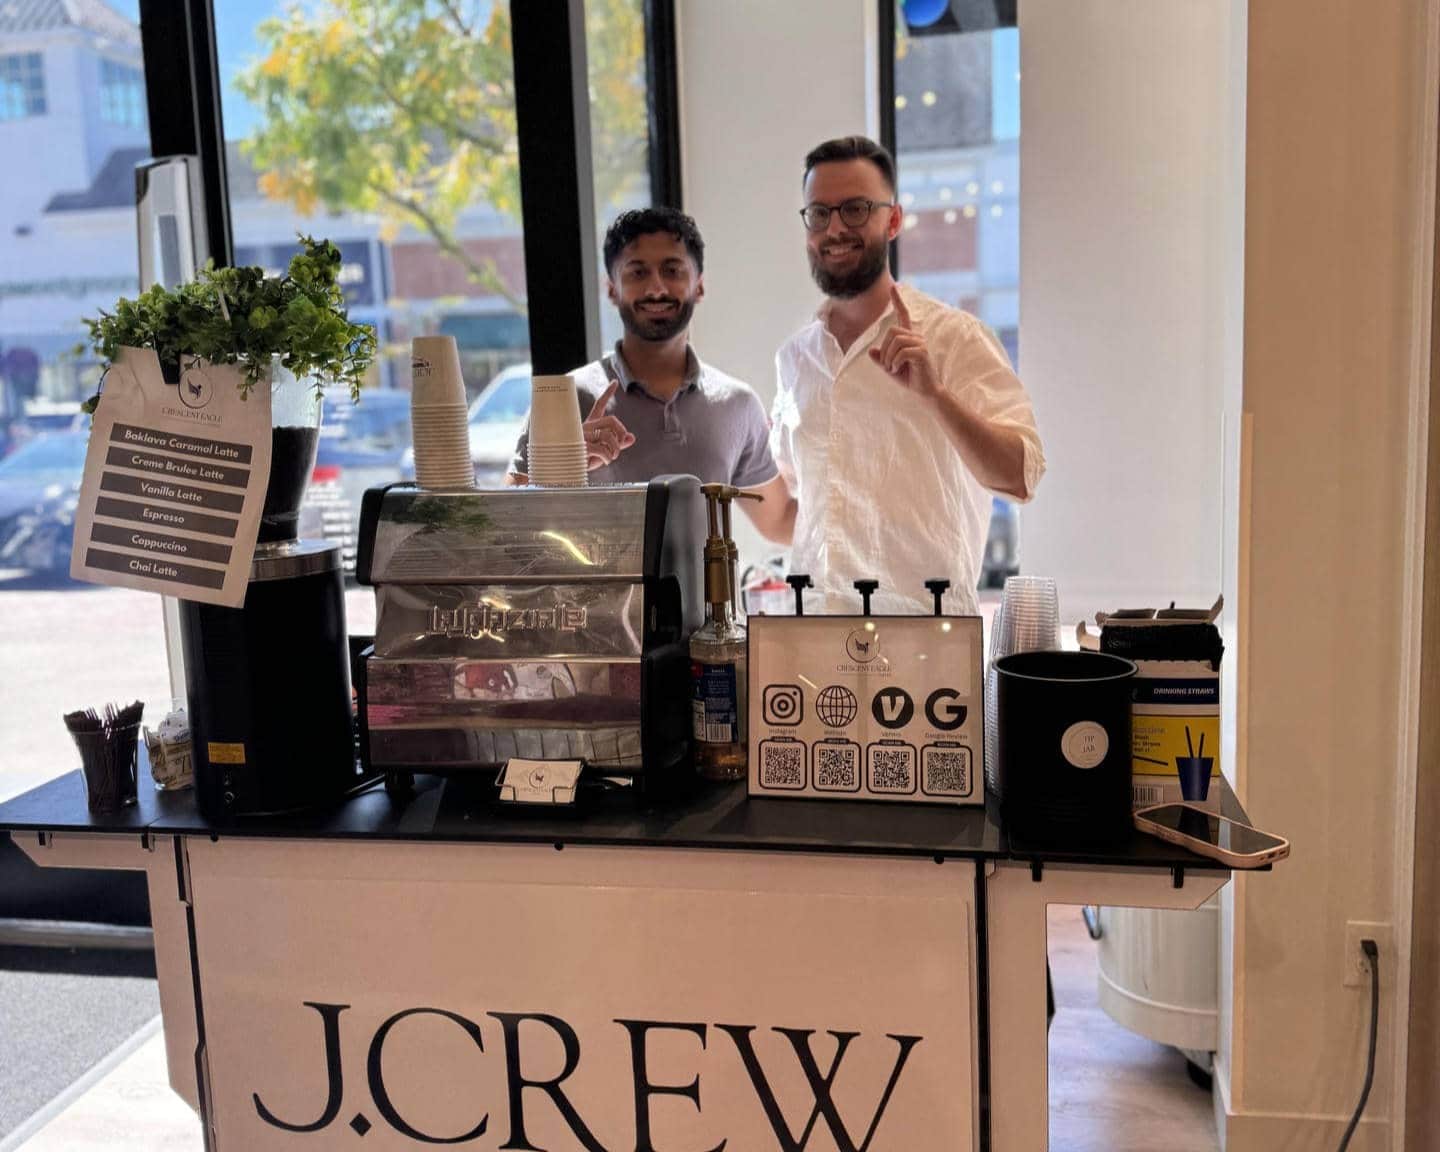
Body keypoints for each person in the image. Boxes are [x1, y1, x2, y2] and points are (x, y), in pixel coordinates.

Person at [768, 135, 1045, 615]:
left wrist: (936, 396)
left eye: (855, 209)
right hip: (815, 633)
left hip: (927, 638)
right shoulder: (795, 359)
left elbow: (1020, 476)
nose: (835, 228)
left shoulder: (954, 338)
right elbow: (799, 508)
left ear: (893, 220)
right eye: (819, 213)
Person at [506, 208, 790, 529]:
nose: (656, 288)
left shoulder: (737, 404)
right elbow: (507, 525)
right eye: (637, 272)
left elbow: (781, 522)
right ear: (612, 289)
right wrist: (561, 467)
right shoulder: (565, 398)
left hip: (709, 567)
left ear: (699, 285)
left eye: (672, 270)